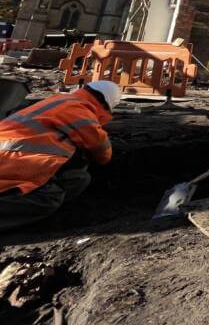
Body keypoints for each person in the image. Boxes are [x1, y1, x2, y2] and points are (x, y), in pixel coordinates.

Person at [0, 80, 121, 232]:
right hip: (13, 161)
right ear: (105, 106)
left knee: (77, 178)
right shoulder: (79, 110)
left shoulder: (58, 101)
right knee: (48, 200)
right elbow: (101, 152)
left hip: (12, 157)